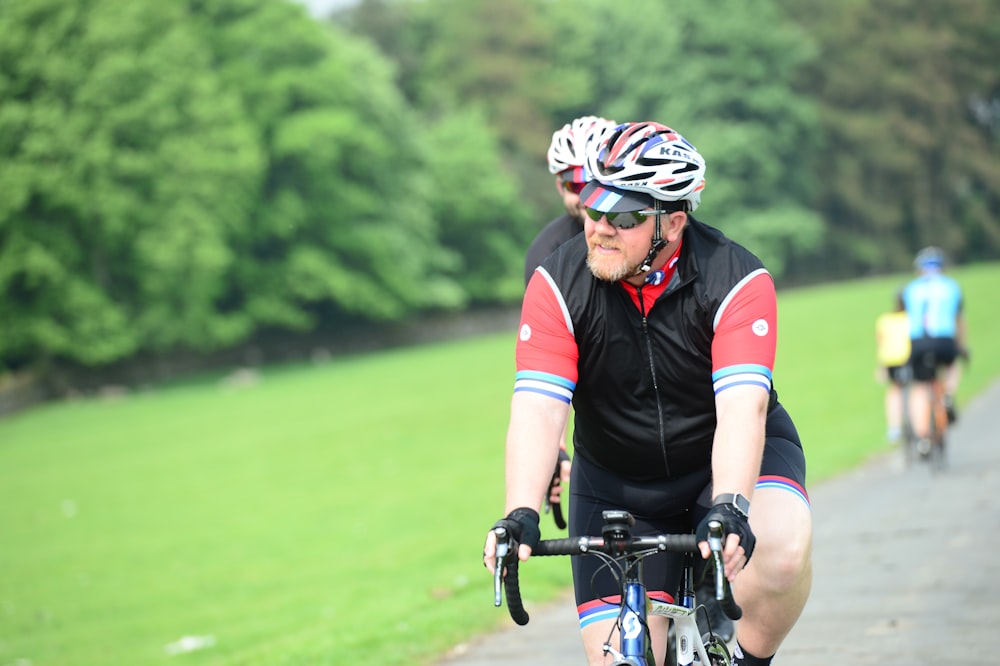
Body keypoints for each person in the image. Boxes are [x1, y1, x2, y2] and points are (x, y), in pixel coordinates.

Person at [484, 121, 812, 666]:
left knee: (779, 554)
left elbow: (740, 408)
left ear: (674, 222)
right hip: (617, 482)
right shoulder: (555, 284)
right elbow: (539, 409)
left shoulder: (736, 280)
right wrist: (519, 511)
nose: (601, 228)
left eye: (626, 216)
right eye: (593, 208)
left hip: (725, 462)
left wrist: (731, 505)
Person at [524, 115, 617, 286]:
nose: (588, 196)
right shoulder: (546, 253)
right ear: (561, 188)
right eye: (576, 185)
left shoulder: (652, 230)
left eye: (596, 183)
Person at [901, 247, 967, 439]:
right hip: (944, 339)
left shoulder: (911, 288)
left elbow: (907, 320)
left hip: (918, 341)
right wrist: (961, 346)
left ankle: (922, 436)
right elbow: (959, 320)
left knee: (919, 386)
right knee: (953, 365)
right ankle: (947, 394)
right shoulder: (952, 286)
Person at [874, 291, 912, 443]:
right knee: (917, 389)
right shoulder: (913, 318)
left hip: (890, 360)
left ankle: (893, 428)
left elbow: (881, 343)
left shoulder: (884, 319)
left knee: (894, 390)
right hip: (909, 359)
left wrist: (881, 367)